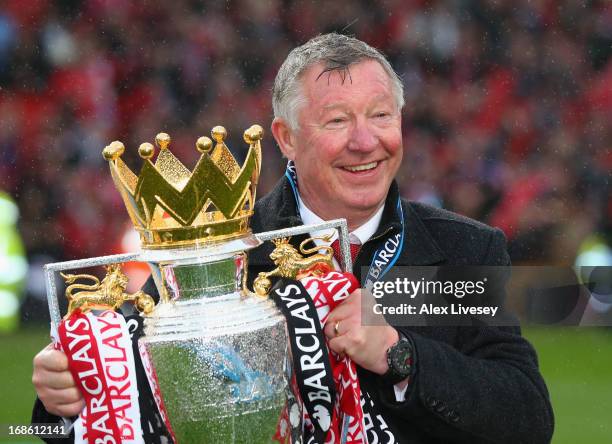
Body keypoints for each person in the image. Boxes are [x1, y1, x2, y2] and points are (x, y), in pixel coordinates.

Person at [32, 33, 554, 443]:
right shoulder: (218, 254)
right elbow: (58, 428)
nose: (365, 141)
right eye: (337, 120)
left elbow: (528, 419)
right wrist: (58, 403)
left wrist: (401, 354)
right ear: (285, 138)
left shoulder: (463, 252)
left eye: (380, 116)